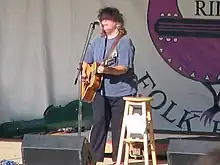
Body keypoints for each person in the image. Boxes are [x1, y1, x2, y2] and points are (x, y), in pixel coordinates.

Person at [82, 6, 138, 165]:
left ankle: (118, 159)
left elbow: (123, 68)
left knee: (119, 127)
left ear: (117, 22)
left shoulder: (124, 42)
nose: (103, 22)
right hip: (99, 90)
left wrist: (107, 69)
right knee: (98, 123)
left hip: (121, 90)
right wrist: (86, 73)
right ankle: (92, 159)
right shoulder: (96, 42)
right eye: (102, 19)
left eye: (107, 19)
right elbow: (87, 61)